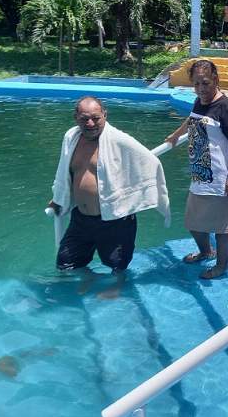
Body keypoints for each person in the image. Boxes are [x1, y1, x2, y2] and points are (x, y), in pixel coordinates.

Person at [49, 96, 171, 281]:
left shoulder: (119, 140)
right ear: (76, 118)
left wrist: (132, 197)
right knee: (66, 263)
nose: (90, 123)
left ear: (105, 115)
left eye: (95, 118)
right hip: (81, 218)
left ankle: (117, 288)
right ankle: (90, 279)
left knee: (117, 266)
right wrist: (59, 197)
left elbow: (151, 163)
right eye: (84, 119)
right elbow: (64, 173)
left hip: (115, 220)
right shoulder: (71, 138)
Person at [164, 59, 228, 279]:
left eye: (205, 83)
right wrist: (176, 135)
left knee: (222, 228)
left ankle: (221, 266)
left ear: (215, 79)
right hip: (200, 176)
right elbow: (192, 119)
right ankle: (206, 251)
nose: (201, 88)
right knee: (193, 223)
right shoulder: (199, 102)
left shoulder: (227, 108)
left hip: (221, 179)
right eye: (197, 84)